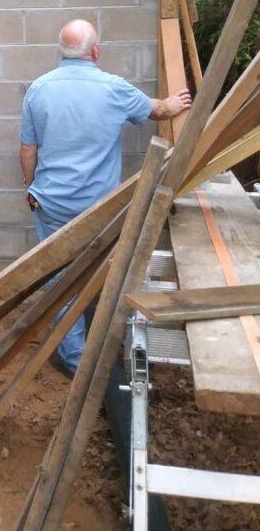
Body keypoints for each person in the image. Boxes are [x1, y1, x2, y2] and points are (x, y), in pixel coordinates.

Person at [19, 19, 191, 377]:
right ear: (95, 51)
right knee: (102, 272)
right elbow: (156, 111)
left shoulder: (38, 88)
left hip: (51, 203)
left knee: (61, 278)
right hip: (99, 208)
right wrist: (173, 103)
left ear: (62, 52)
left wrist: (30, 186)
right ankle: (93, 350)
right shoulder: (114, 88)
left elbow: (27, 148)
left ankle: (73, 356)